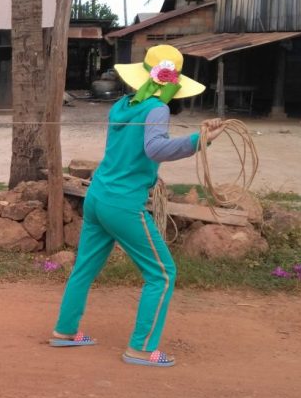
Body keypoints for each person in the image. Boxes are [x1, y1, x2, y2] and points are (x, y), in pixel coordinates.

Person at [49, 44, 224, 368]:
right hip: (123, 204)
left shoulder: (123, 104)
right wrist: (201, 141)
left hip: (98, 197)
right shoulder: (156, 109)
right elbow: (155, 148)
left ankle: (65, 330)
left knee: (84, 268)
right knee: (163, 273)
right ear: (170, 83)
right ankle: (142, 348)